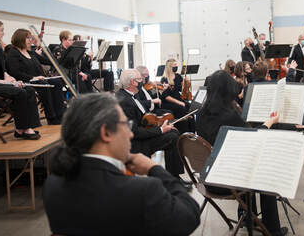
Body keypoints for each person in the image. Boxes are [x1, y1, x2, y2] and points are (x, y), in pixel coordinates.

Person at [43, 93, 200, 236]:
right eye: (126, 125)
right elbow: (189, 217)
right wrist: (155, 168)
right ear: (106, 133)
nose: (131, 133)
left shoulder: (53, 184)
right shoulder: (141, 191)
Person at [196, 70, 287, 236]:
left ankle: (246, 217)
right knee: (265, 175)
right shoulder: (230, 115)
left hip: (207, 177)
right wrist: (269, 122)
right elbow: (253, 139)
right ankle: (273, 230)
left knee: (241, 163)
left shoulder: (200, 113)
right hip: (226, 182)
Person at [116, 69, 186, 181]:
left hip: (142, 134)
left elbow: (144, 117)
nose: (142, 81)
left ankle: (174, 175)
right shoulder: (125, 102)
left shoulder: (131, 95)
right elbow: (134, 132)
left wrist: (160, 124)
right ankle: (174, 177)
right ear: (133, 82)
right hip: (135, 144)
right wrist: (161, 130)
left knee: (173, 131)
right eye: (140, 79)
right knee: (173, 136)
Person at [6, 29, 65, 125]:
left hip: (38, 79)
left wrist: (61, 59)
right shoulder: (13, 53)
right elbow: (15, 72)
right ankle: (51, 117)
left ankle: (60, 114)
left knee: (57, 82)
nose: (30, 40)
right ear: (20, 38)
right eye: (28, 38)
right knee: (45, 85)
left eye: (30, 38)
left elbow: (48, 61)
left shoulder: (30, 52)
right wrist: (33, 77)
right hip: (25, 81)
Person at [160, 58, 194, 133]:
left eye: (176, 65)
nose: (176, 67)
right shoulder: (164, 79)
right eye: (174, 66)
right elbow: (166, 96)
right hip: (168, 102)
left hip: (177, 98)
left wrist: (186, 82)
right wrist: (179, 102)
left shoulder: (178, 76)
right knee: (181, 108)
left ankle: (192, 131)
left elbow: (182, 90)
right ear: (169, 67)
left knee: (191, 106)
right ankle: (183, 132)